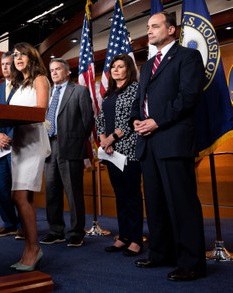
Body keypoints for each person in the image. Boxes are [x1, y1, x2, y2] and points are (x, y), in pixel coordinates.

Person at [129, 11, 206, 281]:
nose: (148, 31)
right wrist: (138, 121)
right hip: (148, 143)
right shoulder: (149, 65)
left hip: (173, 140)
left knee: (181, 203)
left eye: (154, 26)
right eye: (148, 27)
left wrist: (156, 121)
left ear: (172, 29)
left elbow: (188, 96)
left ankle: (192, 263)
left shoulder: (187, 57)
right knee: (156, 203)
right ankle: (161, 253)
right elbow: (141, 101)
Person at [39, 58, 93, 247]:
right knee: (52, 192)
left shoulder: (79, 91)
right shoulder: (47, 93)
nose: (53, 73)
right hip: (49, 147)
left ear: (67, 72)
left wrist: (75, 140)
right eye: (51, 70)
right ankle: (56, 231)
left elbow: (88, 121)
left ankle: (77, 232)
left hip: (70, 147)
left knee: (73, 192)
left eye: (57, 69)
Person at [8, 42, 51, 271]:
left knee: (19, 196)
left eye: (22, 54)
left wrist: (12, 117)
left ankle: (34, 248)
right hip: (19, 142)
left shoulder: (40, 80)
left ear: (31, 56)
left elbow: (40, 111)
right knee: (23, 197)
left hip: (33, 142)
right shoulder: (19, 85)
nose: (18, 58)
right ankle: (28, 248)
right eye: (15, 55)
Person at [96, 54, 143, 256]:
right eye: (113, 66)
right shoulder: (109, 94)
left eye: (120, 66)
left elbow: (132, 119)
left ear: (128, 69)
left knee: (132, 195)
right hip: (110, 152)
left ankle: (136, 239)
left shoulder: (135, 90)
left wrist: (111, 139)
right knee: (120, 195)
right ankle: (123, 237)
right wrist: (103, 139)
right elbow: (100, 119)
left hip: (128, 150)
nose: (115, 70)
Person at [0, 51, 23, 240]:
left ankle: (22, 226)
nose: (5, 67)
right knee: (2, 188)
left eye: (8, 64)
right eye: (2, 64)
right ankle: (9, 224)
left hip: (18, 144)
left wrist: (8, 136)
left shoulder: (24, 87)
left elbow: (25, 117)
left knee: (19, 189)